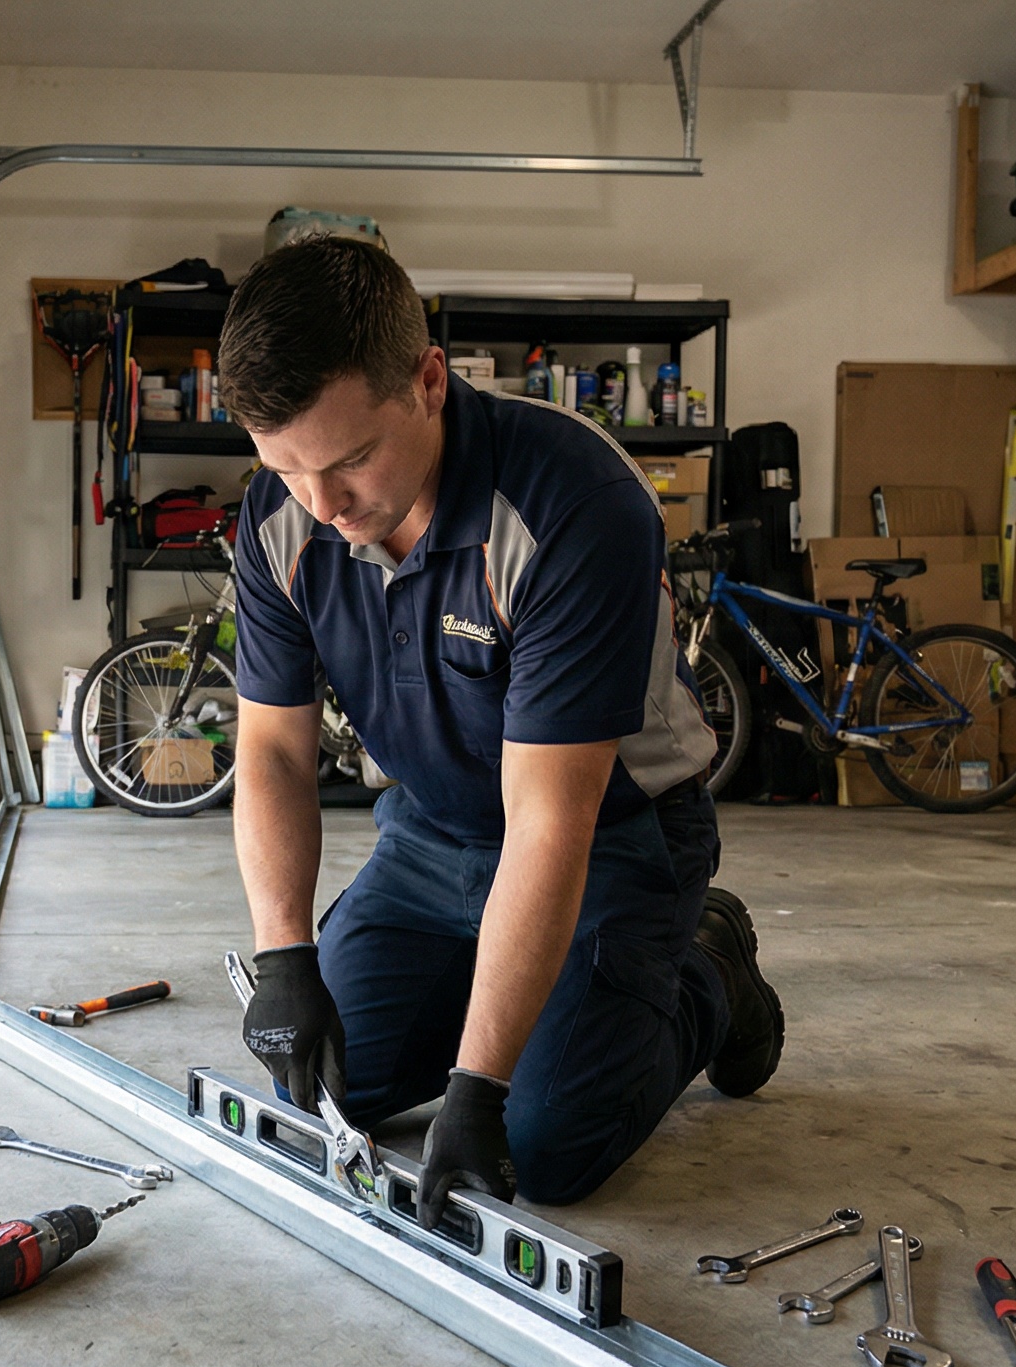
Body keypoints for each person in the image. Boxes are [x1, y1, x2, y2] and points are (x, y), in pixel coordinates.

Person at [219, 237, 784, 1226]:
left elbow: (549, 821)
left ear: (429, 381)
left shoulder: (570, 505)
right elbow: (271, 751)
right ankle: (497, 994)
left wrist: (477, 1089)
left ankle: (709, 971)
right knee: (317, 1086)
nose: (323, 506)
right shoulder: (282, 518)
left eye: (350, 460)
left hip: (611, 835)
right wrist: (283, 963)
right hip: (431, 837)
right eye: (286, 468)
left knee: (543, 1146)